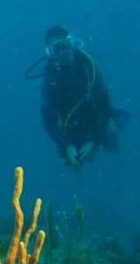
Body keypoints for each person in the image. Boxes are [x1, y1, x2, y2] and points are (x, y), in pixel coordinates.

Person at [37, 26, 129, 168]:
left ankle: (110, 128)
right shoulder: (50, 79)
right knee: (75, 161)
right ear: (50, 53)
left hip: (95, 115)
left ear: (71, 44)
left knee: (114, 145)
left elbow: (105, 105)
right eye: (56, 49)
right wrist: (65, 145)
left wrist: (95, 141)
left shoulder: (89, 66)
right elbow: (47, 119)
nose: (62, 53)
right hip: (71, 124)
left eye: (64, 46)